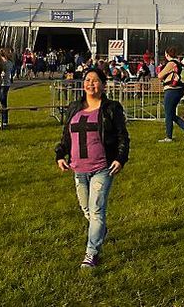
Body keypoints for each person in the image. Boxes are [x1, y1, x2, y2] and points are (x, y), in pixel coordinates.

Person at [54, 67, 130, 269]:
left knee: (96, 211)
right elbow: (66, 136)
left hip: (102, 168)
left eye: (95, 80)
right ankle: (100, 229)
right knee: (86, 209)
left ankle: (91, 253)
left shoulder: (111, 109)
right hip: (78, 168)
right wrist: (60, 154)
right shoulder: (75, 108)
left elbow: (123, 136)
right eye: (87, 80)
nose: (90, 84)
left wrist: (121, 158)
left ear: (103, 85)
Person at [156, 47, 184, 143]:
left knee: (168, 114)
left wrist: (162, 72)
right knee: (171, 114)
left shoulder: (171, 63)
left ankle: (169, 137)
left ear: (167, 54)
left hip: (171, 90)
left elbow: (159, 76)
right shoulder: (180, 63)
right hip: (179, 90)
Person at [0, 48, 14, 128]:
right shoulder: (10, 62)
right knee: (3, 102)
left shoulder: (4, 63)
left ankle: (4, 121)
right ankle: (4, 120)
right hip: (7, 83)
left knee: (2, 102)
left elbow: (3, 73)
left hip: (3, 83)